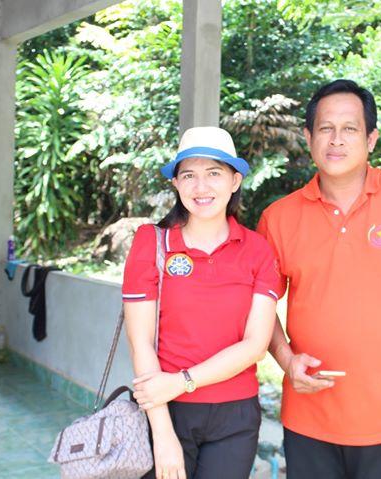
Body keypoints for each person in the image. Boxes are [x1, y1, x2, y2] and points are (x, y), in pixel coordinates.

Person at [256, 79, 381, 478]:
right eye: (325, 128)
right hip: (308, 418)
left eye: (349, 128)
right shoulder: (278, 218)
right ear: (308, 137)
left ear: (371, 139)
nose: (336, 139)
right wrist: (286, 360)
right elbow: (260, 309)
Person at [122, 127, 283, 479]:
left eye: (214, 173)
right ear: (176, 184)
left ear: (235, 181)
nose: (201, 187)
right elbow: (140, 343)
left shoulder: (257, 250)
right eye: (189, 176)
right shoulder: (152, 243)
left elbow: (255, 345)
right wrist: (162, 434)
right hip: (166, 410)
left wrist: (182, 381)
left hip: (235, 417)